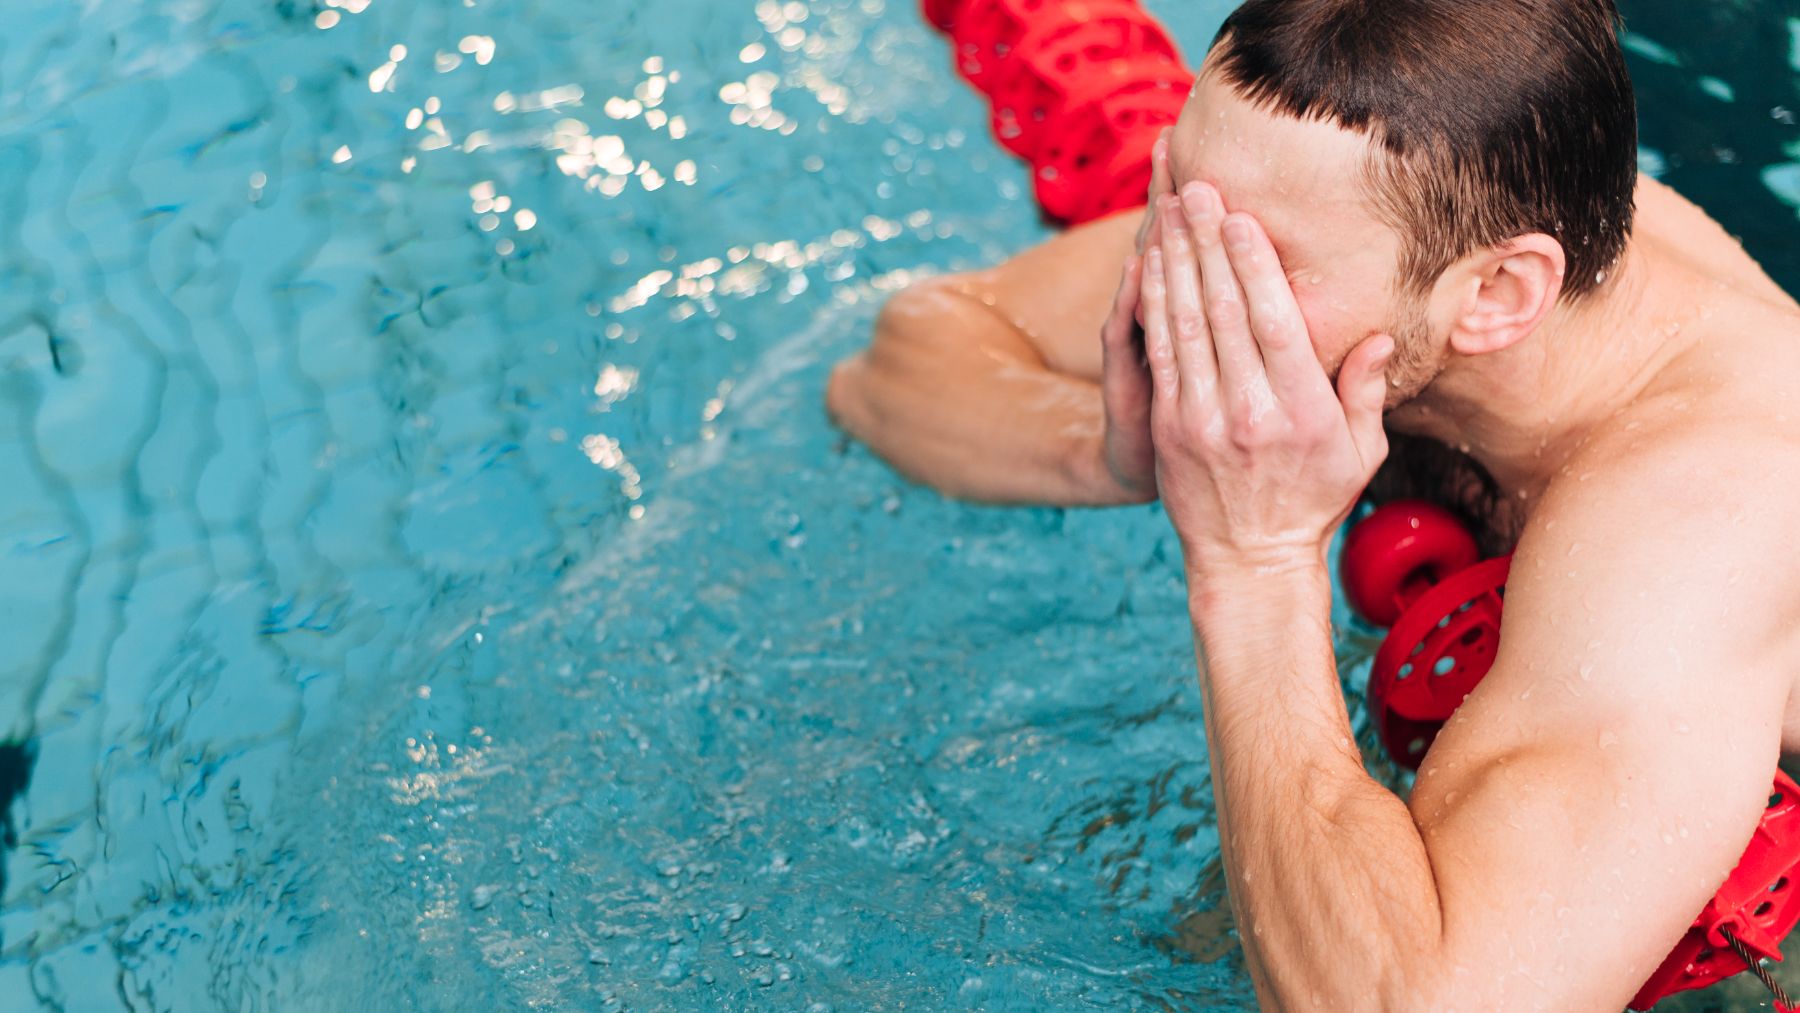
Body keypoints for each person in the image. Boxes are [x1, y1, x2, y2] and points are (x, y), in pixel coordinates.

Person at [827, 0, 1800, 1008]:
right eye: (1179, 204)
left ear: (1499, 295)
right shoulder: (1395, 215)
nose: (1192, 281)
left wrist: (1255, 559)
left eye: (1254, 260)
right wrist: (1110, 449)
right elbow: (895, 362)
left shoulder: (1705, 516)